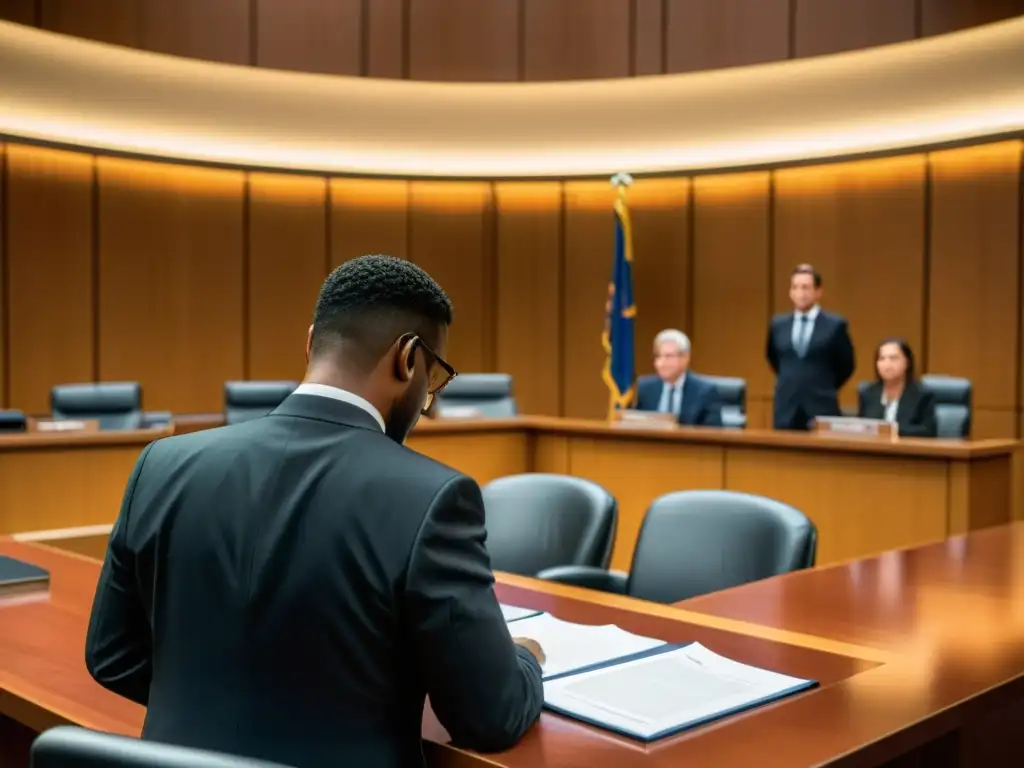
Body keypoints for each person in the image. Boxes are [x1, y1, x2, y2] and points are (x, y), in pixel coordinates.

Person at [85, 255, 545, 768]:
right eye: (433, 377)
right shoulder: (434, 496)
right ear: (408, 358)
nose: (427, 402)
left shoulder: (163, 464)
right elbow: (490, 716)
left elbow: (111, 655)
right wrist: (525, 657)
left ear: (310, 343)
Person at [766, 264, 855, 430]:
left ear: (818, 291)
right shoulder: (778, 324)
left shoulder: (835, 325)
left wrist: (822, 384)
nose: (800, 293)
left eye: (806, 288)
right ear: (790, 292)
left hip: (821, 406)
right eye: (795, 287)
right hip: (786, 407)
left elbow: (847, 366)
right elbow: (773, 358)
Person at [635, 329, 722, 427]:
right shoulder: (645, 388)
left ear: (685, 358)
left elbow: (713, 434)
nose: (661, 363)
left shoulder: (705, 392)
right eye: (658, 357)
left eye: (668, 356)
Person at [857, 338, 937, 438]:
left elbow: (928, 431)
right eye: (882, 358)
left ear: (907, 362)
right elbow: (860, 427)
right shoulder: (868, 393)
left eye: (893, 358)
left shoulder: (923, 394)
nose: (887, 364)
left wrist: (891, 430)